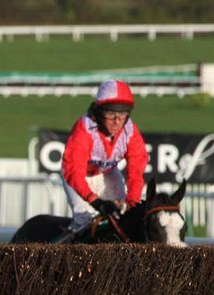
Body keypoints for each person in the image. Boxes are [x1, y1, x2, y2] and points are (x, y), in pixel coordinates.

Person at [61, 79, 149, 235]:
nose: (117, 121)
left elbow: (136, 171)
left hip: (107, 173)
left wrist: (131, 201)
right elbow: (74, 171)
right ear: (99, 112)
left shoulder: (130, 131)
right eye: (111, 114)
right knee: (85, 218)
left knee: (123, 215)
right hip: (78, 178)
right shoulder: (84, 128)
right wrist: (95, 201)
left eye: (122, 114)